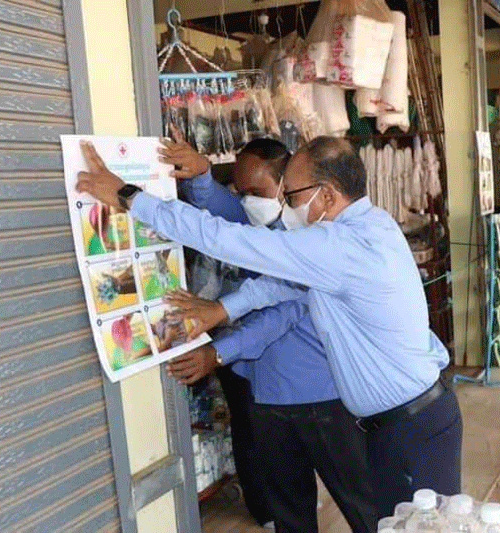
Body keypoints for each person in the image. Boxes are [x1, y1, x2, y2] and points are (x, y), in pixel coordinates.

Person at [76, 136, 462, 519]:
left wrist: (129, 197)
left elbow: (225, 239)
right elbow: (285, 284)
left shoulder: (337, 244)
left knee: (422, 526)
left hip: (412, 427)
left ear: (327, 195)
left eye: (291, 196)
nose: (286, 207)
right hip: (399, 423)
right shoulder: (370, 225)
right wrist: (224, 309)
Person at [160, 135, 377, 532]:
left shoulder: (312, 237)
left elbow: (283, 313)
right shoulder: (261, 223)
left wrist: (219, 349)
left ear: (284, 186)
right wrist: (202, 175)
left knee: (363, 506)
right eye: (240, 191)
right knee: (289, 512)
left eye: (256, 192)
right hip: (266, 395)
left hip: (319, 395)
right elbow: (223, 215)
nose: (247, 202)